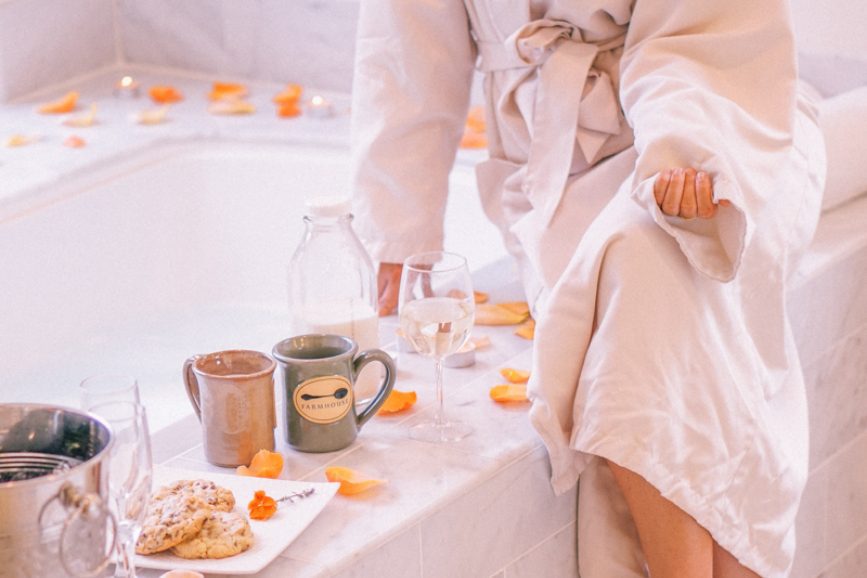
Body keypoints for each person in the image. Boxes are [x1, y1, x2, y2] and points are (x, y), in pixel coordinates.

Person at [349, 1, 826, 577]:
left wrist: (685, 143)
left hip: (721, 122)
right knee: (629, 290)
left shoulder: (700, 130)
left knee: (636, 261)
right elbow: (404, 54)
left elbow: (704, 30)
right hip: (554, 168)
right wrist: (400, 233)